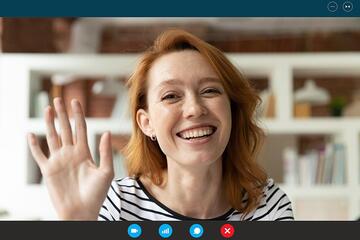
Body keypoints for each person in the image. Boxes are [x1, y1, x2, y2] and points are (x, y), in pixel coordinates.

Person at [27, 29, 294, 221]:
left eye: (210, 91)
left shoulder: (268, 206)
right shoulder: (116, 205)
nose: (194, 108)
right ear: (146, 123)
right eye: (171, 96)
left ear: (232, 109)